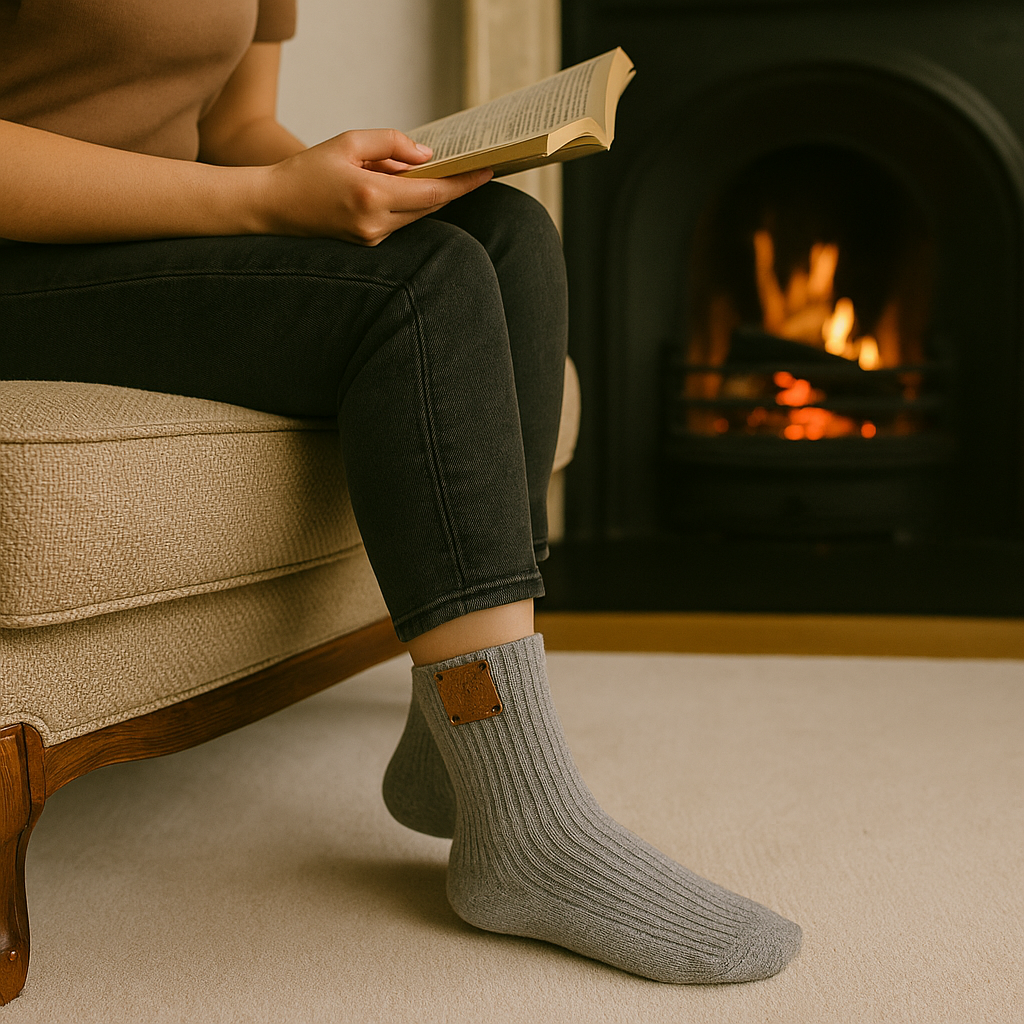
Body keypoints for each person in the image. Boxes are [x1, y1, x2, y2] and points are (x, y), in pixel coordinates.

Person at [0, 0, 801, 985]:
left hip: (144, 235)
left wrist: (354, 187)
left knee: (507, 235)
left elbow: (236, 130)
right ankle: (523, 826)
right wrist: (267, 206)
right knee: (418, 289)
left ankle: (452, 733)